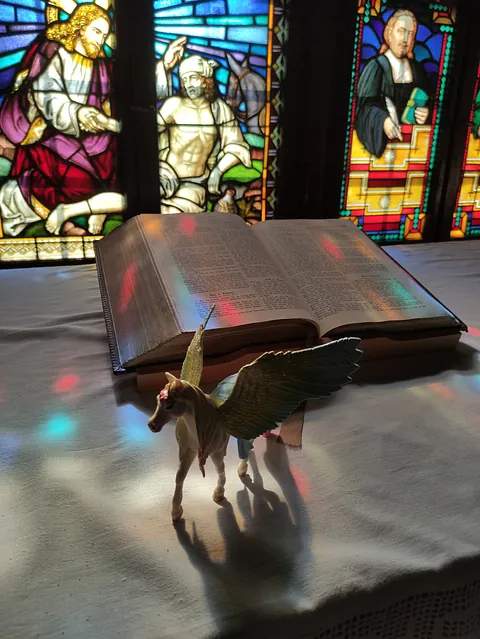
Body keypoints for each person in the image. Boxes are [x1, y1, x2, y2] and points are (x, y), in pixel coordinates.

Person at [0, 5, 185, 237]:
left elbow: (134, 94)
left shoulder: (103, 66)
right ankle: (55, 209)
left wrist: (164, 66)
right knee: (80, 183)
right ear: (80, 28)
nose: (101, 40)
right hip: (55, 139)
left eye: (105, 35)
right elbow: (46, 95)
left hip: (97, 140)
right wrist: (77, 113)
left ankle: (99, 210)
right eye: (96, 31)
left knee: (125, 167)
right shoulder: (56, 55)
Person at [157, 55, 251, 214]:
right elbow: (146, 137)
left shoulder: (219, 110)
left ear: (205, 79)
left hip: (195, 183)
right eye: (184, 79)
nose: (188, 84)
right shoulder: (174, 105)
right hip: (166, 176)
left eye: (193, 78)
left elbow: (236, 146)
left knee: (177, 218)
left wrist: (218, 171)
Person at [355, 9, 432, 158]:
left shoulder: (417, 70)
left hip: (413, 150)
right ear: (389, 34)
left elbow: (432, 102)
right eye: (401, 31)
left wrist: (426, 114)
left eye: (410, 34)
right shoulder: (375, 67)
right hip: (381, 151)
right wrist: (382, 121)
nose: (405, 39)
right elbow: (363, 110)